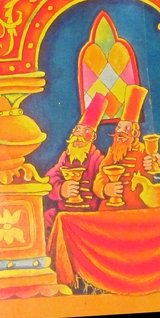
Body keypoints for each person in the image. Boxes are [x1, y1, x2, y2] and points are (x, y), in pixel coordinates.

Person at [45, 93, 109, 229]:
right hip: (65, 211)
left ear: (93, 137)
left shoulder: (98, 159)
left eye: (85, 131)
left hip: (89, 213)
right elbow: (50, 177)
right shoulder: (66, 156)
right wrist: (62, 189)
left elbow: (103, 180)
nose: (79, 135)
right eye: (77, 130)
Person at [98, 84, 157, 209]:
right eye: (119, 127)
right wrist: (105, 189)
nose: (121, 131)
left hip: (138, 207)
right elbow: (100, 177)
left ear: (135, 133)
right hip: (113, 207)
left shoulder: (144, 150)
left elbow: (154, 177)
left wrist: (155, 166)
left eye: (127, 128)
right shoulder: (112, 151)